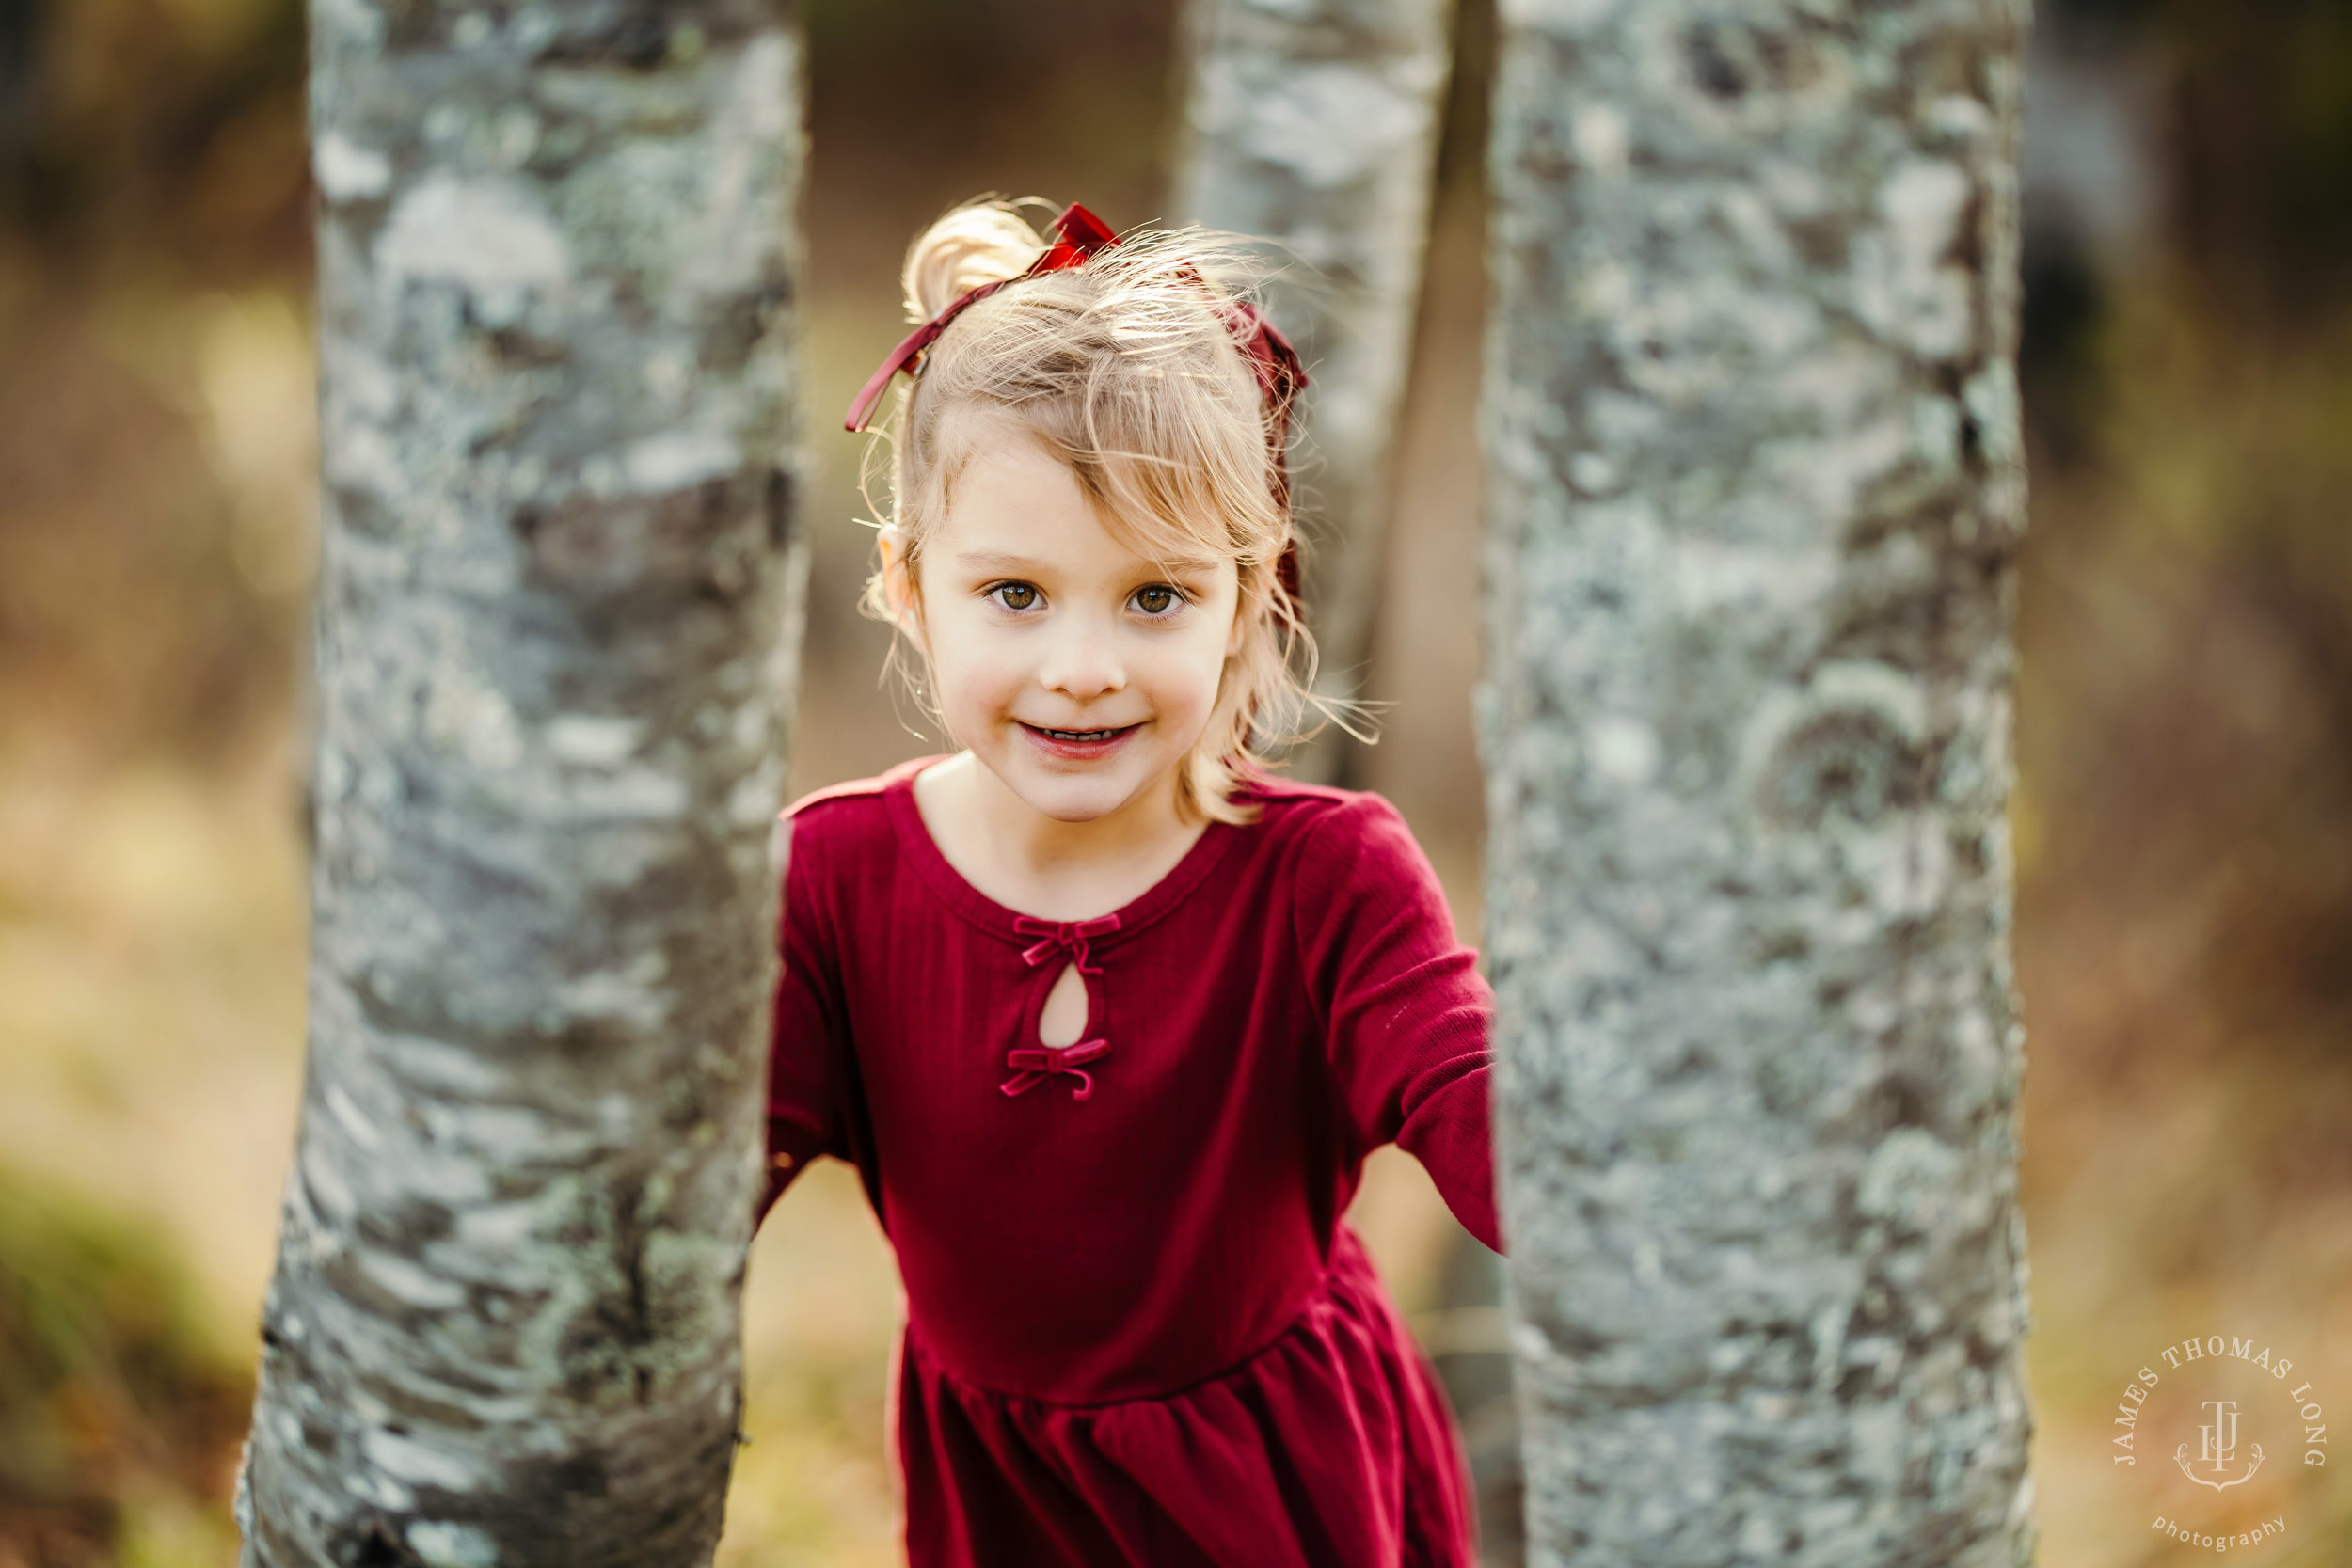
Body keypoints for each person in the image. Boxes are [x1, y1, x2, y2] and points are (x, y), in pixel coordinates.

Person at [759, 196, 1502, 1567]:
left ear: (1248, 599)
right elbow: (685, 1188)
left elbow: (1492, 1121)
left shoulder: (1328, 881)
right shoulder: (834, 884)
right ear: (912, 589)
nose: (1084, 664)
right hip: (1001, 1507)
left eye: (1154, 597)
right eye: (1017, 595)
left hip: (1288, 1492)